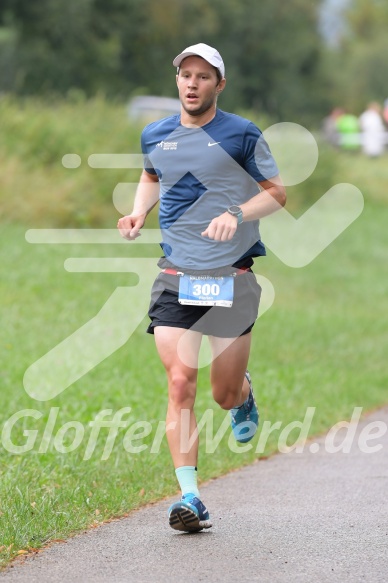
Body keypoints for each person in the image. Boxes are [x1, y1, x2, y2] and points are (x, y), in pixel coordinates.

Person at [118, 43, 286, 533]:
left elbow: (276, 193)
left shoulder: (242, 134)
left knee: (223, 392)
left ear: (219, 85)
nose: (192, 84)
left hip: (231, 275)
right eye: (185, 75)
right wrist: (138, 211)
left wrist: (235, 213)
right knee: (179, 382)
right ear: (178, 81)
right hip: (176, 273)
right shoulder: (156, 132)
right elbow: (151, 174)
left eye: (203, 77)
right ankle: (190, 497)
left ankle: (244, 395)